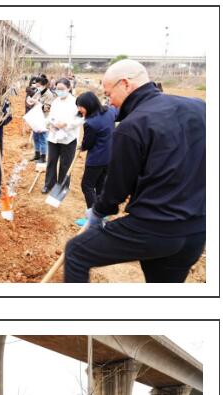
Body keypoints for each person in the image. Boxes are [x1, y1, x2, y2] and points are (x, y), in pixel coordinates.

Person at [64, 59, 206, 283]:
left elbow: (117, 187)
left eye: (109, 94)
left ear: (125, 84)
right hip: (198, 230)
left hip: (155, 227)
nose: (109, 102)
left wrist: (99, 212)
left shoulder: (133, 125)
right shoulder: (200, 107)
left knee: (76, 252)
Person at [74, 91, 118, 226]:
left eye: (80, 106)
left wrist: (82, 146)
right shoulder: (110, 111)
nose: (79, 109)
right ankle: (103, 214)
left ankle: (93, 218)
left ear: (88, 105)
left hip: (97, 159)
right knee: (100, 185)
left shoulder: (91, 123)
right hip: (109, 156)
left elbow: (88, 144)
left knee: (87, 185)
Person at [42, 78, 83, 194]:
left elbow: (79, 119)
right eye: (57, 89)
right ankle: (48, 185)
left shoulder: (75, 102)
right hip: (54, 136)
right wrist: (50, 123)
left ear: (69, 88)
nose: (59, 91)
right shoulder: (55, 102)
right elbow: (50, 116)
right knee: (51, 162)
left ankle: (62, 187)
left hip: (68, 138)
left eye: (62, 89)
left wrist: (66, 124)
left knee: (65, 164)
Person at [25, 74, 54, 163]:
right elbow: (32, 100)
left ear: (44, 85)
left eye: (39, 86)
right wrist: (30, 101)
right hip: (36, 118)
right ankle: (37, 154)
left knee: (43, 138)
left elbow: (47, 108)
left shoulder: (49, 95)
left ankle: (43, 156)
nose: (37, 88)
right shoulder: (38, 92)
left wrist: (38, 103)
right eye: (36, 86)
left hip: (44, 119)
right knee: (36, 137)